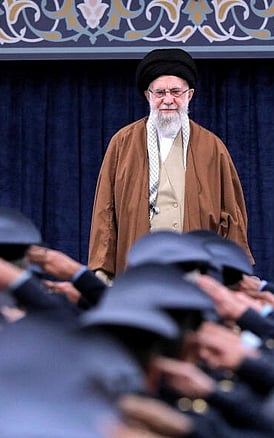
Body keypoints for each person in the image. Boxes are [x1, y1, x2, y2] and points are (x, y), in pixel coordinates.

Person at [88, 48, 251, 280]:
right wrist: (103, 272)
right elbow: (105, 212)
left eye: (176, 92)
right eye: (160, 92)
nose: (168, 100)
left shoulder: (211, 146)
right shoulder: (122, 143)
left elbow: (232, 215)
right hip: (139, 267)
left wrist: (233, 274)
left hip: (195, 272)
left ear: (189, 95)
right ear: (148, 95)